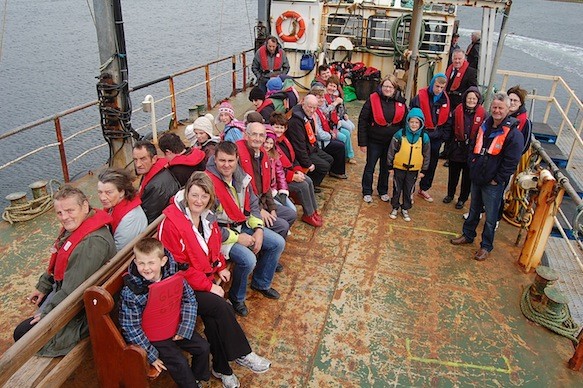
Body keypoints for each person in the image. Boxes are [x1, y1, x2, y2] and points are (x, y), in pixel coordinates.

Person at [158, 172, 272, 387]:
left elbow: (213, 244)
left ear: (209, 198)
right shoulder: (172, 224)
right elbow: (177, 267)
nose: (198, 201)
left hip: (200, 279)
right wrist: (209, 286)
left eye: (204, 196)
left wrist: (219, 265)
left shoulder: (205, 216)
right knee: (221, 308)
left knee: (213, 317)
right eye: (194, 195)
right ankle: (242, 354)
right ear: (186, 194)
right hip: (177, 288)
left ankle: (222, 367)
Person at [14, 186, 116, 356]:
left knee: (21, 333)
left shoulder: (90, 244)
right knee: (39, 306)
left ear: (84, 206)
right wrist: (44, 286)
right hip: (79, 294)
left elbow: (71, 291)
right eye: (59, 213)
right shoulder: (80, 226)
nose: (64, 217)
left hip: (85, 310)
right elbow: (60, 261)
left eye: (69, 210)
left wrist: (47, 314)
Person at [206, 142, 285, 316]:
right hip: (221, 235)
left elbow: (254, 204)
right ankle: (237, 297)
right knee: (248, 260)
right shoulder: (207, 184)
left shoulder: (241, 178)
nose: (226, 165)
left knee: (277, 243)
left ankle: (261, 283)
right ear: (215, 160)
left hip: (243, 224)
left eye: (230, 161)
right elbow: (206, 226)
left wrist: (258, 229)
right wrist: (237, 238)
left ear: (236, 160)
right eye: (222, 161)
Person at [119, 238, 210, 388]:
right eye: (141, 263)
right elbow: (130, 326)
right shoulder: (132, 292)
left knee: (203, 347)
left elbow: (189, 300)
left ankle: (197, 379)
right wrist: (150, 355)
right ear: (135, 262)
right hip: (153, 336)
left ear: (162, 261)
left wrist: (185, 327)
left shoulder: (174, 276)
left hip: (174, 325)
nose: (146, 268)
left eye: (151, 263)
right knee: (180, 363)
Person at [450, 92, 524, 261]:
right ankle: (468, 235)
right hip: (477, 176)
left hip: (493, 183)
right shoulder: (485, 126)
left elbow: (511, 162)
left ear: (507, 110)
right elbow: (474, 147)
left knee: (490, 217)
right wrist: (472, 164)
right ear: (491, 108)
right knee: (474, 210)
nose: (497, 111)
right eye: (495, 107)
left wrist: (497, 179)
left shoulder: (514, 134)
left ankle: (486, 246)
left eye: (501, 108)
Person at [235, 122, 297, 239]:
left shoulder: (263, 154)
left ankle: (272, 240)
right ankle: (268, 245)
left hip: (263, 201)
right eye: (254, 134)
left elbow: (266, 185)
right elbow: (242, 190)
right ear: (246, 135)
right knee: (282, 226)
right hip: (250, 208)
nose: (258, 139)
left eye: (261, 135)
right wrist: (260, 210)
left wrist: (272, 208)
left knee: (291, 214)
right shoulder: (238, 156)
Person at [357, 75, 408, 203]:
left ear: (395, 88)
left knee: (386, 168)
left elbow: (405, 123)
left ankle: (383, 190)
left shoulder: (401, 102)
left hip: (391, 143)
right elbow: (363, 120)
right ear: (381, 86)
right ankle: (367, 191)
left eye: (390, 86)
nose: (387, 89)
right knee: (370, 166)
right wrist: (362, 142)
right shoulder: (372, 99)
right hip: (374, 140)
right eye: (385, 86)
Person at [270, 112, 323, 227]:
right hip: (279, 182)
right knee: (302, 186)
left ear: (285, 128)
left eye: (281, 127)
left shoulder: (284, 140)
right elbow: (274, 169)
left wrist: (298, 170)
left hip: (288, 173)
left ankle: (313, 210)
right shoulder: (270, 144)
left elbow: (293, 159)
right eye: (276, 127)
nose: (279, 130)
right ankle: (308, 214)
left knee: (308, 180)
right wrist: (292, 176)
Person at [410, 73, 451, 203]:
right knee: (415, 161)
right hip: (421, 134)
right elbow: (412, 114)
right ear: (432, 84)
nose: (439, 89)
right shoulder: (420, 97)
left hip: (436, 137)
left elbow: (448, 121)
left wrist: (443, 136)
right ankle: (409, 188)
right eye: (437, 86)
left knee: (431, 164)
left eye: (442, 87)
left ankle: (424, 188)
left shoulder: (445, 100)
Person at [443, 87, 486, 209]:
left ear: (478, 100)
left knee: (467, 177)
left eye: (474, 98)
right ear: (465, 98)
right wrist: (447, 145)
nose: (471, 101)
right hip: (457, 148)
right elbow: (450, 128)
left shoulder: (484, 115)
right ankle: (450, 194)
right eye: (469, 98)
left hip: (472, 151)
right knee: (453, 174)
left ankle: (462, 199)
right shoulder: (457, 111)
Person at [387, 108, 430, 222]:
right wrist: (390, 166)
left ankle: (405, 208)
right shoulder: (400, 134)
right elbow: (392, 151)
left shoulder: (424, 137)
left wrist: (423, 171)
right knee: (397, 188)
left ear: (421, 123)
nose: (414, 124)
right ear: (407, 122)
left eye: (417, 122)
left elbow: (427, 155)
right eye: (412, 122)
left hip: (413, 170)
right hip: (399, 168)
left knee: (409, 189)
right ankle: (395, 207)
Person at [286, 94, 334, 188]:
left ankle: (313, 183)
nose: (312, 110)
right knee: (324, 166)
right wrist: (308, 163)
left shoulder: (307, 116)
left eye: (314, 108)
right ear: (303, 104)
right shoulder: (296, 122)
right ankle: (311, 186)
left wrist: (316, 148)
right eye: (310, 107)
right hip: (301, 153)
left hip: (310, 147)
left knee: (330, 159)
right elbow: (299, 146)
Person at [97, 168, 148, 250]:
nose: (102, 198)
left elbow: (118, 250)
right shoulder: (117, 205)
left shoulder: (129, 218)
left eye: (108, 192)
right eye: (100, 192)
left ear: (121, 192)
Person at [133, 140, 180, 224]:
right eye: (135, 160)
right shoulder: (159, 173)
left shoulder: (155, 186)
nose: (138, 164)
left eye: (143, 159)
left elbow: (148, 217)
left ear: (154, 159)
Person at [310, 86, 348, 180]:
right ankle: (336, 171)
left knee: (341, 142)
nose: (322, 99)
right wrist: (330, 136)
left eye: (323, 97)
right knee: (340, 146)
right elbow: (319, 134)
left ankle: (336, 169)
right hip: (320, 142)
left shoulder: (319, 109)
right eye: (319, 97)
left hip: (325, 136)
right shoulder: (314, 112)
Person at [263, 130, 297, 214]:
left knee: (293, 209)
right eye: (266, 142)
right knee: (286, 211)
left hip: (276, 188)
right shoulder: (261, 157)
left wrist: (283, 190)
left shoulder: (274, 156)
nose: (268, 146)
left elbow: (280, 174)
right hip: (268, 193)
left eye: (271, 144)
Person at [507, 85, 533, 154]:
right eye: (510, 100)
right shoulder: (501, 115)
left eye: (515, 100)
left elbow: (525, 144)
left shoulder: (526, 122)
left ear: (520, 103)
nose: (512, 103)